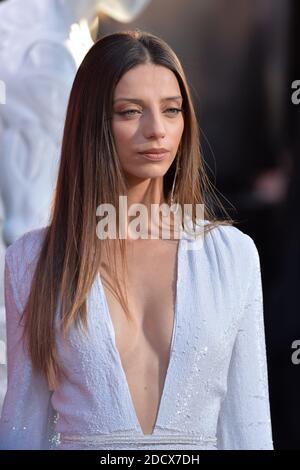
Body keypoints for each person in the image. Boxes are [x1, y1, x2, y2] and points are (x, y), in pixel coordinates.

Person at [0, 30, 273, 450]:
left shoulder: (232, 257)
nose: (157, 130)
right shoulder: (33, 260)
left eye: (172, 110)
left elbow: (249, 425)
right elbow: (23, 426)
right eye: (130, 112)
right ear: (93, 123)